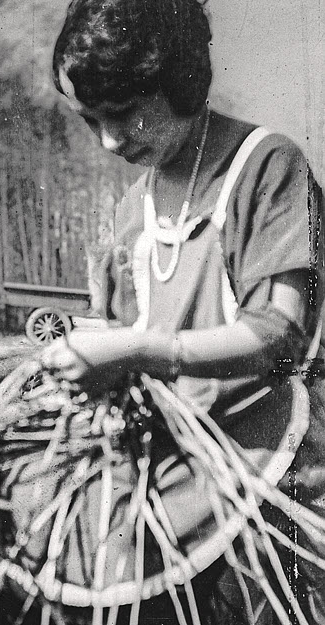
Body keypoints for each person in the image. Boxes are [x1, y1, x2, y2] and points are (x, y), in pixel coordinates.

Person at [41, 0, 325, 622]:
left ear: (179, 81)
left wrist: (143, 351)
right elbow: (118, 333)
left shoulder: (266, 167)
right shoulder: (130, 211)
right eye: (90, 121)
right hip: (177, 466)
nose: (110, 141)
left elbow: (280, 336)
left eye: (124, 114)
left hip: (270, 466)